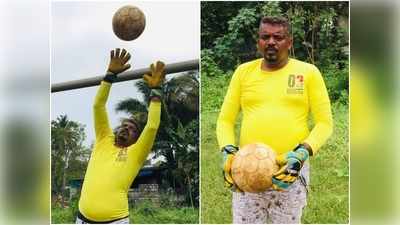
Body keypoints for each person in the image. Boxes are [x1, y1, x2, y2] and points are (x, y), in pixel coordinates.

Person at [217, 16, 333, 223]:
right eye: (265, 37)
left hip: (290, 170)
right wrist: (227, 150)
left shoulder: (308, 73)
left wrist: (302, 153)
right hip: (247, 169)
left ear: (289, 42)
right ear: (258, 41)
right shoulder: (243, 73)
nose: (271, 41)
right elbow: (225, 120)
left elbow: (325, 123)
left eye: (278, 37)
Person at [76, 48, 165, 224]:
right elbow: (98, 106)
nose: (125, 128)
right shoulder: (104, 139)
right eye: (123, 125)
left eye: (131, 128)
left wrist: (155, 91)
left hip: (115, 221)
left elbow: (152, 126)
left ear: (137, 137)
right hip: (82, 219)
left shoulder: (136, 152)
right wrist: (109, 75)